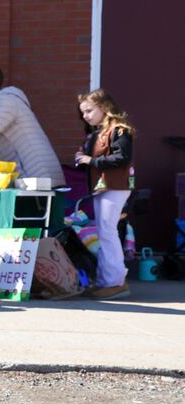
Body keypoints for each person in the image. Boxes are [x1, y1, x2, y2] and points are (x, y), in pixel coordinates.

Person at [74, 88, 135, 299]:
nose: (85, 116)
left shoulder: (120, 130)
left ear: (104, 107)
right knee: (104, 232)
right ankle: (104, 281)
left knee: (107, 232)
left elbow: (122, 158)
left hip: (115, 186)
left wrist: (91, 160)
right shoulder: (97, 133)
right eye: (83, 112)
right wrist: (83, 157)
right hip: (103, 187)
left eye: (89, 110)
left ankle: (116, 282)